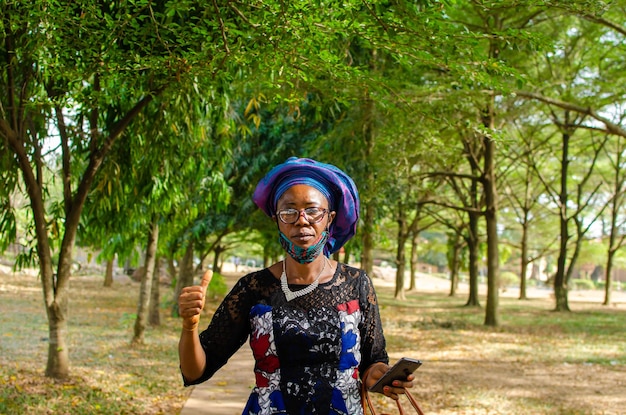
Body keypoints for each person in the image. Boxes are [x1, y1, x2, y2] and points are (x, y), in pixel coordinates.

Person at [178, 157, 414, 414]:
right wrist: (189, 326)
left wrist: (387, 378)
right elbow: (195, 371)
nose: (302, 220)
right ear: (277, 220)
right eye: (289, 212)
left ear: (330, 218)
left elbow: (373, 363)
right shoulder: (253, 288)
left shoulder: (356, 284)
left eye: (313, 210)